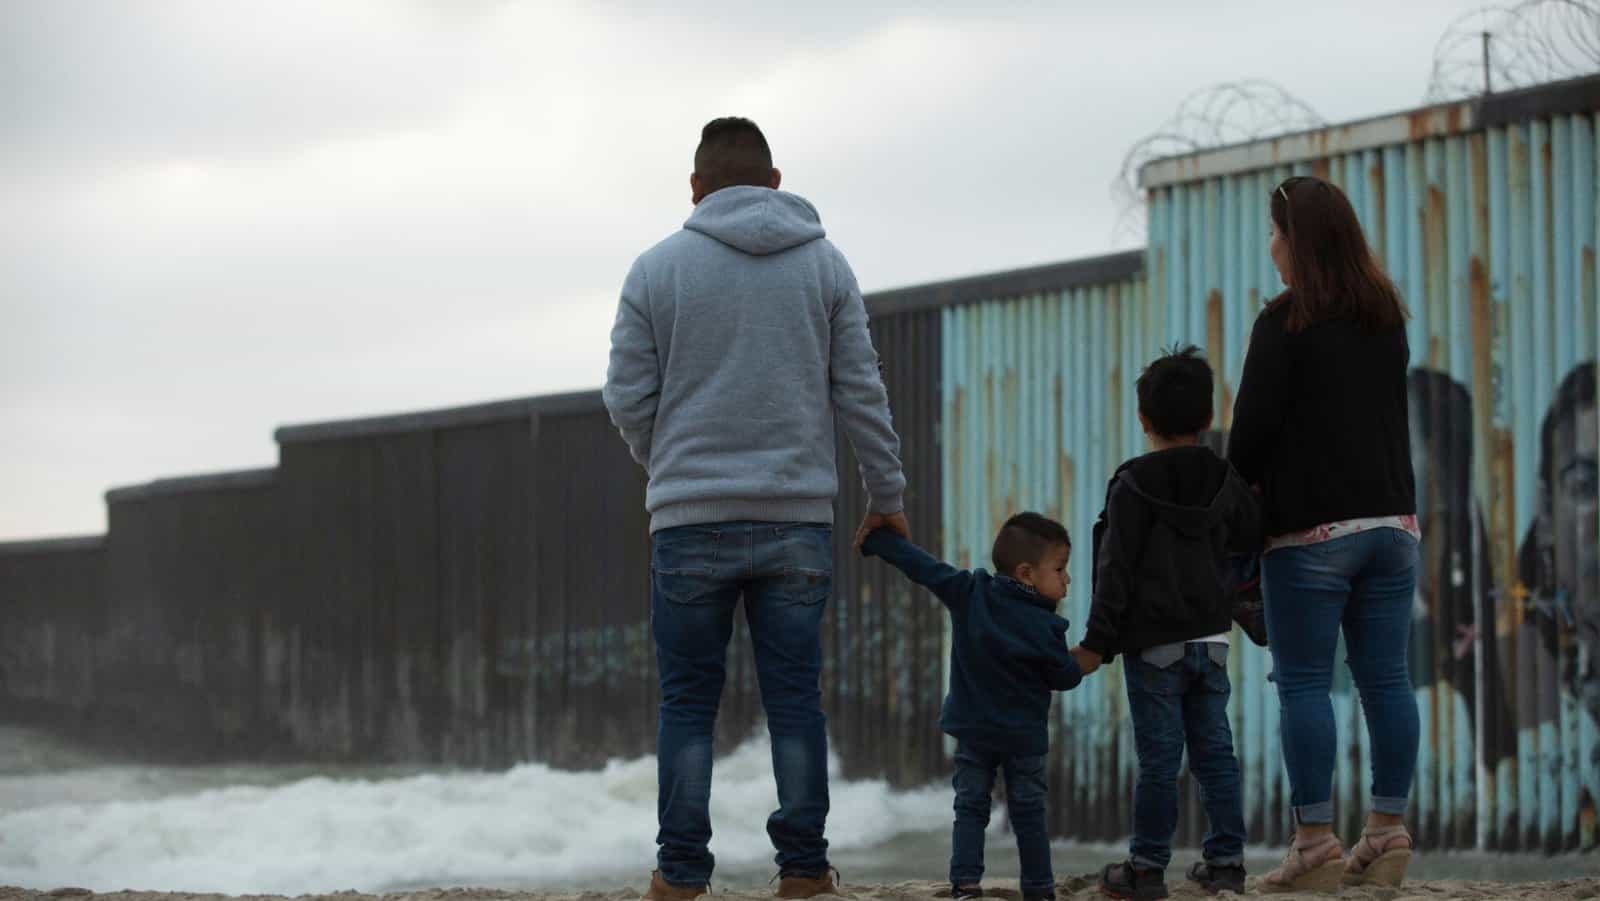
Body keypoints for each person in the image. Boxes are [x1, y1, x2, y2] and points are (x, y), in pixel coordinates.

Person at [603, 117, 909, 901]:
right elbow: (862, 394)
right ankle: (804, 870)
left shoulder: (655, 269)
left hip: (687, 521)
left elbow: (626, 398)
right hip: (796, 520)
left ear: (697, 188)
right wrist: (888, 495)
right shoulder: (826, 266)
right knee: (795, 701)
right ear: (775, 182)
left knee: (687, 704)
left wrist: (668, 466)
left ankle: (680, 876)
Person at [1227, 175, 1420, 892]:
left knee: (1305, 682)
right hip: (1394, 526)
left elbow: (1246, 443)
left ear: (1298, 241)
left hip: (1311, 534)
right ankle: (1387, 831)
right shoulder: (1385, 316)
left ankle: (1313, 843)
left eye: (1276, 233)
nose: (1271, 247)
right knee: (1386, 679)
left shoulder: (1283, 324)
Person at [1073, 346, 1259, 900]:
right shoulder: (1228, 482)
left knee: (1159, 758)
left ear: (1143, 419)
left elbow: (1115, 570)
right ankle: (1226, 863)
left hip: (1154, 646)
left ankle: (1148, 868)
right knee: (1215, 753)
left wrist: (1095, 644)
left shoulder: (1132, 485)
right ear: (1206, 419)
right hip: (1211, 639)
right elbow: (1250, 542)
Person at [858, 513, 1084, 901]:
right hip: (1023, 739)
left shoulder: (970, 591)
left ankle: (964, 885)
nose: (1067, 579)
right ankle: (1039, 889)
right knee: (1028, 813)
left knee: (970, 807)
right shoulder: (1047, 628)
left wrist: (880, 541)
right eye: (1060, 569)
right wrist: (1087, 656)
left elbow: (924, 568)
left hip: (973, 731)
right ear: (1027, 573)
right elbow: (1064, 677)